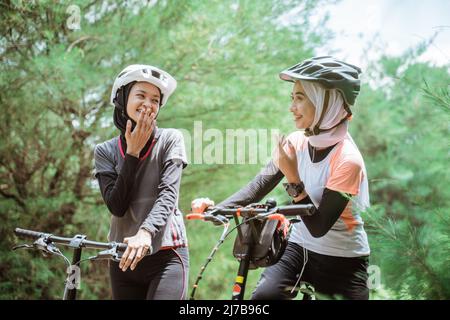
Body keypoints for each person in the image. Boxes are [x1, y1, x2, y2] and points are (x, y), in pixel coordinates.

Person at [191, 56, 371, 300]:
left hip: (343, 262)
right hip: (298, 249)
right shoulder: (296, 142)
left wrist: (293, 177)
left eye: (300, 98)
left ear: (326, 102)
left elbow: (318, 226)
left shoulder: (348, 160)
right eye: (292, 98)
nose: (292, 107)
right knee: (263, 299)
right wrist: (216, 211)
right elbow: (257, 187)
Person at [94, 64, 189, 300]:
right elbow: (117, 206)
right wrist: (132, 154)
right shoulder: (104, 151)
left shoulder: (170, 139)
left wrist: (146, 232)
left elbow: (169, 194)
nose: (148, 104)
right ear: (122, 98)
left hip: (167, 255)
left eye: (155, 99)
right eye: (141, 95)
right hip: (123, 257)